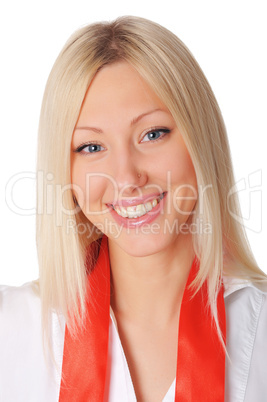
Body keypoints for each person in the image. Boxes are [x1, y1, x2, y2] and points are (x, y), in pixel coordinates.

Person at [0, 16, 266, 402]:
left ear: (199, 138)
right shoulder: (11, 331)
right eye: (91, 147)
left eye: (153, 134)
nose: (126, 177)